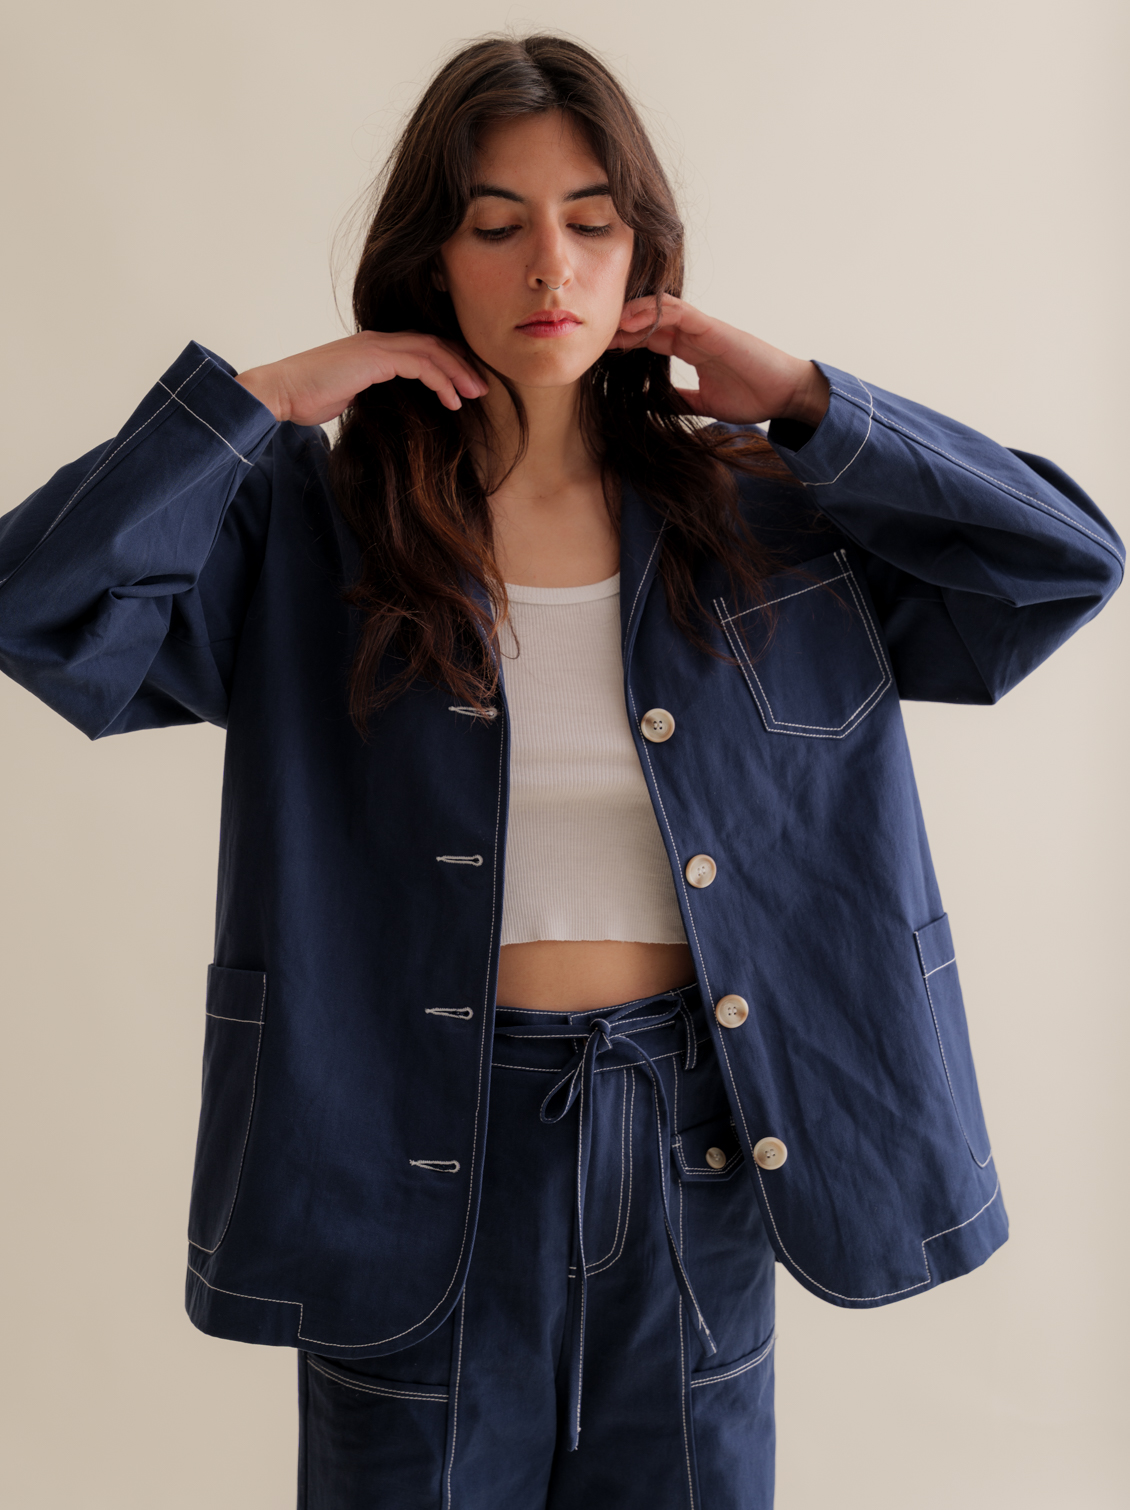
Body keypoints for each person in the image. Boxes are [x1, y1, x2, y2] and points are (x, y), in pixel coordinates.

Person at [0, 31, 1121, 1510]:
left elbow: (1061, 562)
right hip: (405, 1144)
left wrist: (804, 397)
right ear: (432, 259)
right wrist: (258, 400)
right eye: (497, 224)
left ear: (640, 252)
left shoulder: (763, 509)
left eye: (591, 223)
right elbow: (38, 604)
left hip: (697, 1142)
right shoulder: (315, 526)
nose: (550, 265)